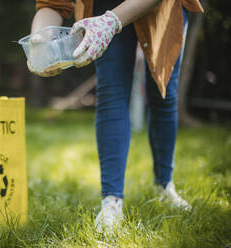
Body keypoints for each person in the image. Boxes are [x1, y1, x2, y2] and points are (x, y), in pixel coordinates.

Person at [28, 0, 203, 232]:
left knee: (163, 94)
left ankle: (165, 186)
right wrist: (39, 40)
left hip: (162, 9)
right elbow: (52, 3)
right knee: (112, 92)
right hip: (102, 5)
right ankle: (111, 202)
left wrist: (112, 22)